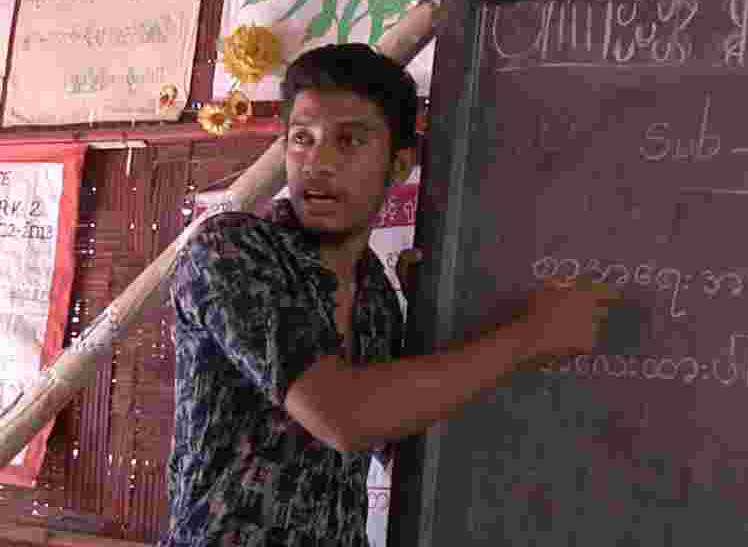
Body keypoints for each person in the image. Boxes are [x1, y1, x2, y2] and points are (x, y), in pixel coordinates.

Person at [162, 43, 619, 546]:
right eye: (302, 139)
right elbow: (342, 415)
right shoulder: (231, 249)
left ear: (398, 165)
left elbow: (400, 444)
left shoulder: (376, 296)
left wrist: (444, 313)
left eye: (350, 141)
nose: (318, 162)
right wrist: (533, 335)